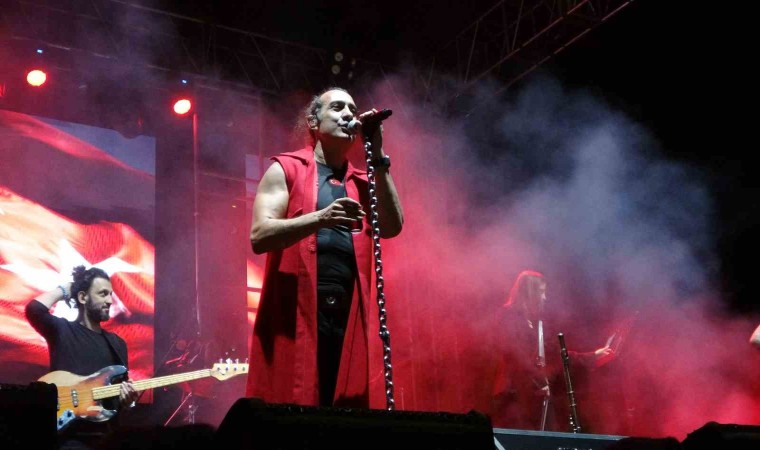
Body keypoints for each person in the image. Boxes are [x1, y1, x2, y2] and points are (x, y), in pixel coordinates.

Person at [245, 87, 404, 408]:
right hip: (297, 311)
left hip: (347, 310)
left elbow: (392, 227)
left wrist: (377, 153)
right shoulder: (286, 168)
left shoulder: (363, 181)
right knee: (294, 403)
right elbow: (260, 235)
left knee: (343, 408)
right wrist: (321, 218)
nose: (348, 114)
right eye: (338, 107)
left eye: (352, 109)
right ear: (313, 122)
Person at [25, 265, 139, 449]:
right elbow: (34, 309)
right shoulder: (62, 330)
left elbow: (119, 400)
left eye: (110, 294)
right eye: (103, 294)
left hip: (106, 438)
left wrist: (129, 401)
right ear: (83, 297)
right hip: (68, 438)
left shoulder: (118, 344)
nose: (110, 300)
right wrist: (67, 289)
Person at [490, 270, 615, 431]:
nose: (545, 297)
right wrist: (537, 381)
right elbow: (515, 355)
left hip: (534, 396)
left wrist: (593, 356)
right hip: (513, 394)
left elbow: (557, 354)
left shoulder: (538, 323)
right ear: (529, 292)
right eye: (541, 292)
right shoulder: (508, 316)